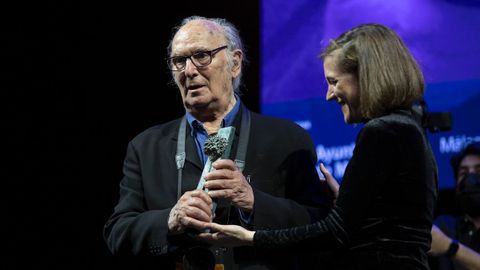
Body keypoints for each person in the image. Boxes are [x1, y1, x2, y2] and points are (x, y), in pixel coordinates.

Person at [199, 23, 439, 270]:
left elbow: (335, 233)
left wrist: (250, 238)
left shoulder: (382, 132)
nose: (329, 94)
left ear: (365, 76)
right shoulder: (408, 128)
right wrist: (347, 201)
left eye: (334, 81)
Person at [103, 16, 333, 269]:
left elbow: (320, 226)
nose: (189, 71)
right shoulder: (145, 147)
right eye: (179, 61)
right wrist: (170, 219)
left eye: (202, 55)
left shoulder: (288, 138)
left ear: (235, 63)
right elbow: (118, 233)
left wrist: (254, 202)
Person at [428, 142, 480, 270]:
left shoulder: (445, 239)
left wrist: (451, 247)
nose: (471, 179)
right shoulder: (443, 227)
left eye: (478, 171)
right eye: (463, 173)